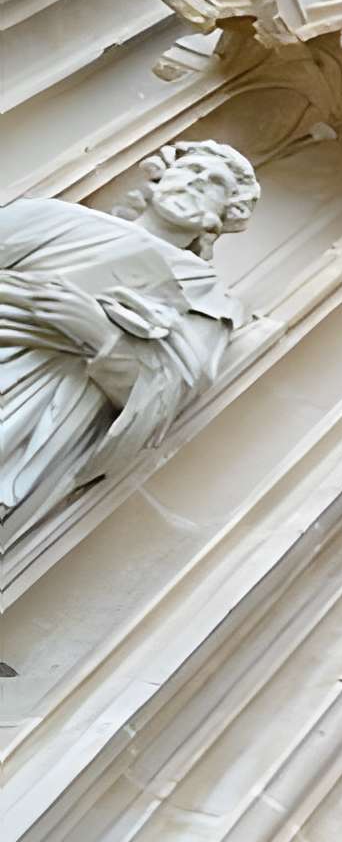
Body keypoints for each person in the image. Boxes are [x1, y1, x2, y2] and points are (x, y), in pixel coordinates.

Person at [0, 141, 256, 551]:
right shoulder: (51, 219)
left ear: (223, 216)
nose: (197, 182)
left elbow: (162, 399)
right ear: (158, 177)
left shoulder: (206, 297)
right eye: (191, 170)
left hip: (40, 409)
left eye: (215, 184)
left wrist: (101, 337)